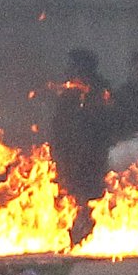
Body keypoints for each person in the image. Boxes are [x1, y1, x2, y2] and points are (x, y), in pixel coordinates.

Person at [50, 47, 116, 241]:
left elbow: (106, 123)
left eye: (74, 65)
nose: (70, 69)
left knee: (91, 200)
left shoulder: (99, 92)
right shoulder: (69, 92)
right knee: (70, 200)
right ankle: (73, 238)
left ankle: (90, 238)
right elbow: (61, 126)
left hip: (92, 159)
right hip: (71, 158)